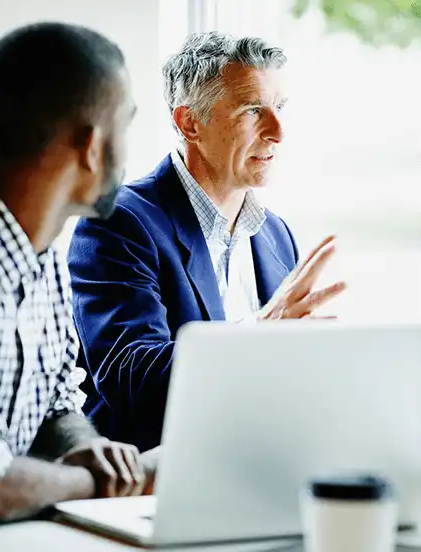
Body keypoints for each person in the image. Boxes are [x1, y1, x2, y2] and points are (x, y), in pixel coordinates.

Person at [68, 32, 346, 453]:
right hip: (151, 484)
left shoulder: (276, 235)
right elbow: (132, 380)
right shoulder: (119, 223)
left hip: (258, 467)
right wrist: (259, 334)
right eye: (254, 110)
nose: (278, 132)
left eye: (281, 108)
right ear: (189, 123)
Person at [0, 22, 157, 524]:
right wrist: (112, 482)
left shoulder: (47, 261)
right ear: (91, 146)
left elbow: (57, 399)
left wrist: (91, 449)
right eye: (125, 126)